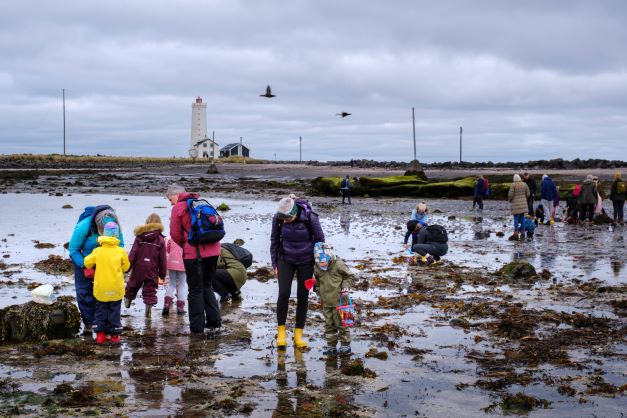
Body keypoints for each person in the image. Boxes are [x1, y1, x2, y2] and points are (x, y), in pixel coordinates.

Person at [270, 194, 325, 349]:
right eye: (283, 219)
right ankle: (281, 333)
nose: (285, 221)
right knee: (283, 293)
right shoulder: (278, 218)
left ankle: (298, 334)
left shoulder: (310, 217)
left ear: (294, 213)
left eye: (288, 218)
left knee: (303, 296)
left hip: (306, 261)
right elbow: (274, 239)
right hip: (285, 259)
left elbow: (320, 240)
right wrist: (274, 263)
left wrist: (319, 265)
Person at [167, 184, 222, 334]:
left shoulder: (178, 207)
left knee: (195, 289)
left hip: (194, 254)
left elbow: (175, 234)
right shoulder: (202, 202)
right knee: (207, 284)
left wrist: (186, 245)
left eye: (170, 198)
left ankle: (197, 328)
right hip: (214, 250)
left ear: (177, 194)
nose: (170, 202)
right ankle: (214, 321)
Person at [69, 205, 125, 335]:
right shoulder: (83, 227)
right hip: (84, 259)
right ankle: (89, 323)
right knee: (84, 292)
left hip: (104, 262)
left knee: (103, 293)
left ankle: (104, 324)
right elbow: (73, 249)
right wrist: (84, 266)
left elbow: (120, 246)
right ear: (97, 225)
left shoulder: (115, 226)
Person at [83, 222, 130, 344]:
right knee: (114, 311)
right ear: (116, 236)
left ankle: (100, 335)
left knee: (100, 311)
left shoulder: (98, 251)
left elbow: (87, 262)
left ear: (104, 234)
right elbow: (126, 268)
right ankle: (114, 336)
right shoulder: (120, 251)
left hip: (101, 289)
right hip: (116, 288)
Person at [313, 242, 354, 356]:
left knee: (342, 323)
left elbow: (350, 276)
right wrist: (318, 293)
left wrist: (345, 288)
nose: (322, 264)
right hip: (326, 301)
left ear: (329, 256)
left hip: (340, 300)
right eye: (319, 262)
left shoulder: (338, 264)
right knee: (329, 324)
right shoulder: (317, 267)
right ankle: (331, 346)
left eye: (323, 261)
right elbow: (317, 282)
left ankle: (345, 345)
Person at [124, 213, 167, 318]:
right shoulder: (161, 240)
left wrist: (127, 267)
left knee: (133, 285)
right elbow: (162, 259)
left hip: (139, 267)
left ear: (147, 223)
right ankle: (148, 308)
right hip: (152, 269)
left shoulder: (140, 237)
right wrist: (162, 274)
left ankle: (128, 300)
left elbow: (133, 253)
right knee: (150, 289)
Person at [163, 236, 188, 316]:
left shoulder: (172, 238)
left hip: (171, 262)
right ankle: (180, 308)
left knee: (171, 284)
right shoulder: (188, 238)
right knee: (182, 284)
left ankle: (166, 305)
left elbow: (168, 249)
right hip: (182, 263)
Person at [508, 174, 530, 241]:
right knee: (522, 217)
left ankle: (516, 233)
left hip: (515, 204)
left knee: (516, 218)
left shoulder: (513, 185)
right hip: (523, 204)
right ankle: (523, 233)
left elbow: (511, 195)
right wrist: (524, 199)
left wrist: (510, 200)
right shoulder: (524, 184)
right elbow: (528, 194)